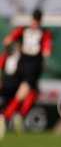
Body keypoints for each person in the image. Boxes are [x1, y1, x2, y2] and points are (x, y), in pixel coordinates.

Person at [0, 9, 52, 137]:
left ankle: (15, 115)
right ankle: (6, 116)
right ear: (40, 20)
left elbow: (7, 40)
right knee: (23, 93)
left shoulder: (23, 30)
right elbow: (47, 52)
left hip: (22, 64)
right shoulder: (44, 33)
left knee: (29, 92)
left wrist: (10, 46)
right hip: (32, 66)